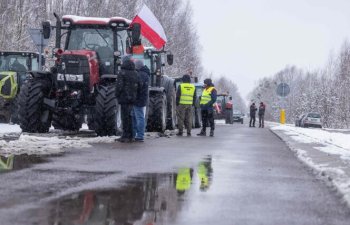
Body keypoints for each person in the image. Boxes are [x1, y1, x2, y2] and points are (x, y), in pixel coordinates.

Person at [115, 56, 140, 143]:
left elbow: (119, 86)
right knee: (131, 117)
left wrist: (117, 95)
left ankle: (125, 136)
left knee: (125, 117)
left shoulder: (122, 73)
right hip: (133, 99)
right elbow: (139, 86)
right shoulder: (136, 73)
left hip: (124, 99)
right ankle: (132, 135)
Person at [132, 59, 149, 142]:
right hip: (140, 98)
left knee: (139, 117)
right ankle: (135, 134)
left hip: (138, 99)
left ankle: (140, 135)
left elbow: (138, 86)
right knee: (135, 117)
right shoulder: (144, 74)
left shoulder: (141, 75)